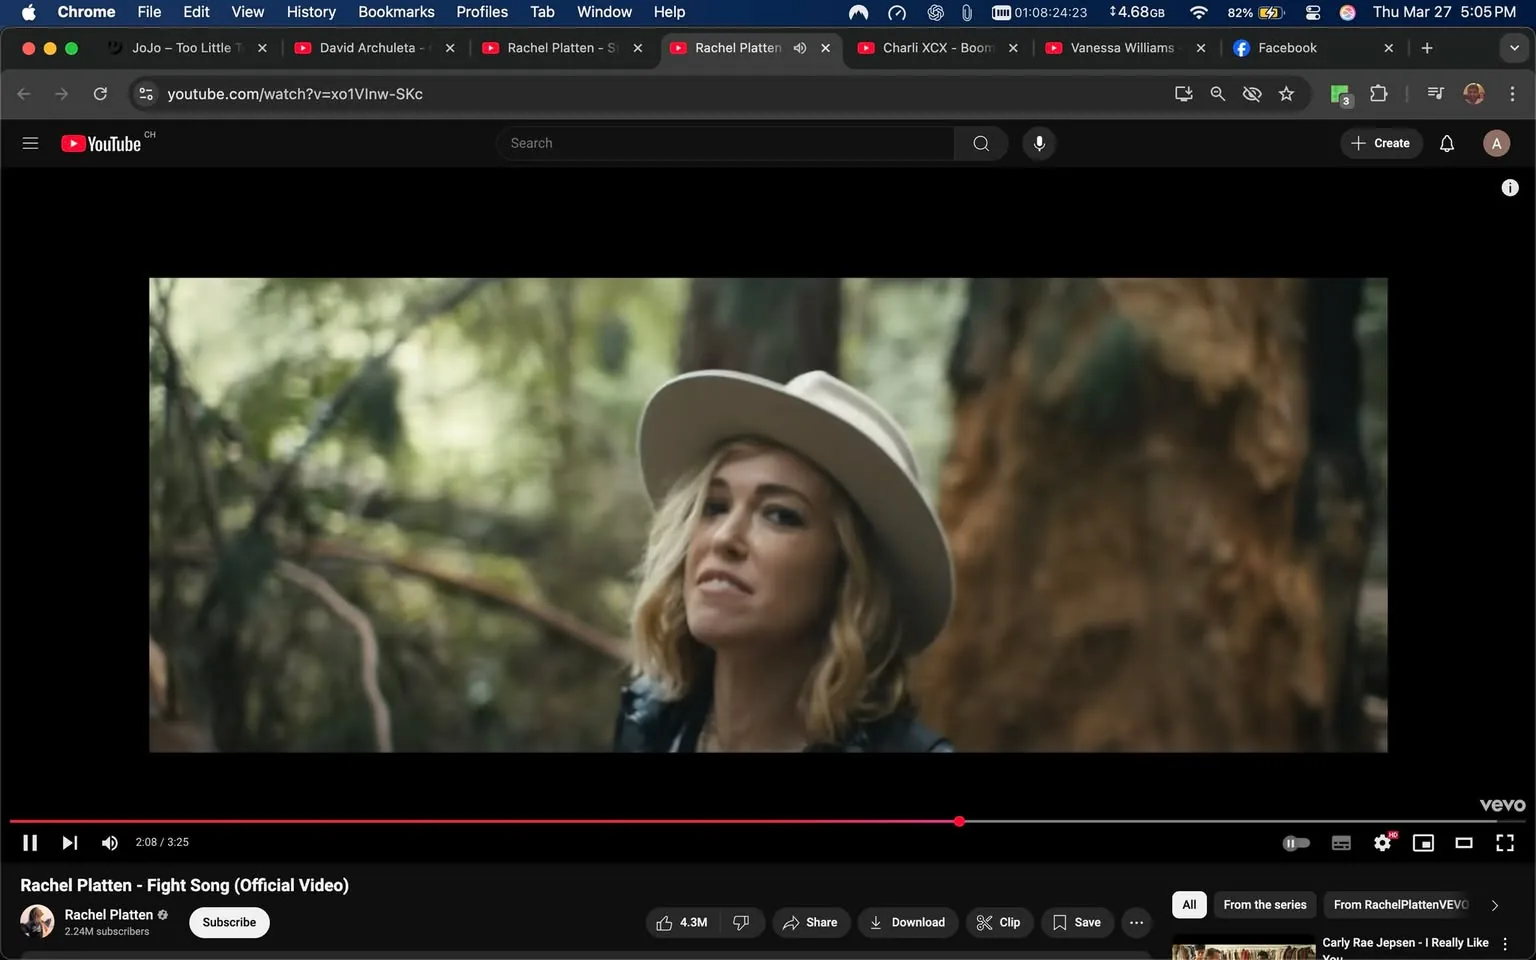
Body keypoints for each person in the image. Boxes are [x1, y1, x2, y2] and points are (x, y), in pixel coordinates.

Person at [612, 369, 956, 753]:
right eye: (714, 506)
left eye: (780, 515)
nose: (725, 538)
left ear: (849, 575)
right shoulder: (651, 727)